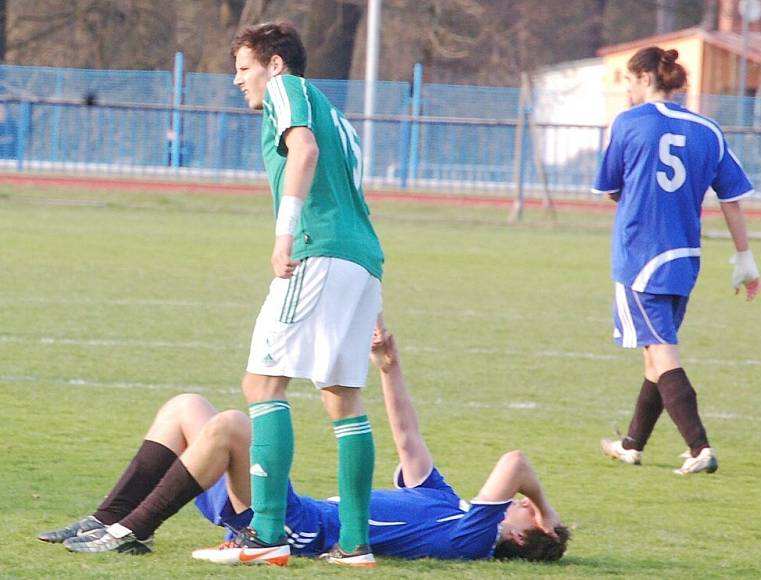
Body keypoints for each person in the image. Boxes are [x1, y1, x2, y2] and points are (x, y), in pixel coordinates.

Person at [38, 323, 569, 565]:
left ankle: (132, 531)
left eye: (525, 516)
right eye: (527, 506)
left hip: (299, 529)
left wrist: (547, 511)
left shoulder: (471, 536)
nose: (522, 504)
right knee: (185, 408)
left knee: (231, 426)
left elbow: (516, 463)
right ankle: (107, 517)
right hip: (291, 511)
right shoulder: (445, 501)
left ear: (521, 540)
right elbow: (407, 437)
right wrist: (390, 366)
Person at [230, 21, 384, 566]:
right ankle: (355, 544)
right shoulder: (336, 112)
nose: (237, 79)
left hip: (317, 251)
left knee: (263, 380)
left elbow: (304, 151)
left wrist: (284, 232)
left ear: (275, 64)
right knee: (342, 397)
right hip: (362, 260)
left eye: (245, 67)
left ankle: (267, 532)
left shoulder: (286, 90)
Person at [591, 47, 761, 475]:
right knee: (655, 354)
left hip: (640, 256)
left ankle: (699, 447)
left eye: (629, 81)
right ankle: (632, 444)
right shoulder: (708, 129)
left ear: (646, 78)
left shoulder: (629, 123)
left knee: (664, 355)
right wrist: (745, 257)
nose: (627, 91)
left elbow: (610, 187)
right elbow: (732, 199)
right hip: (685, 257)